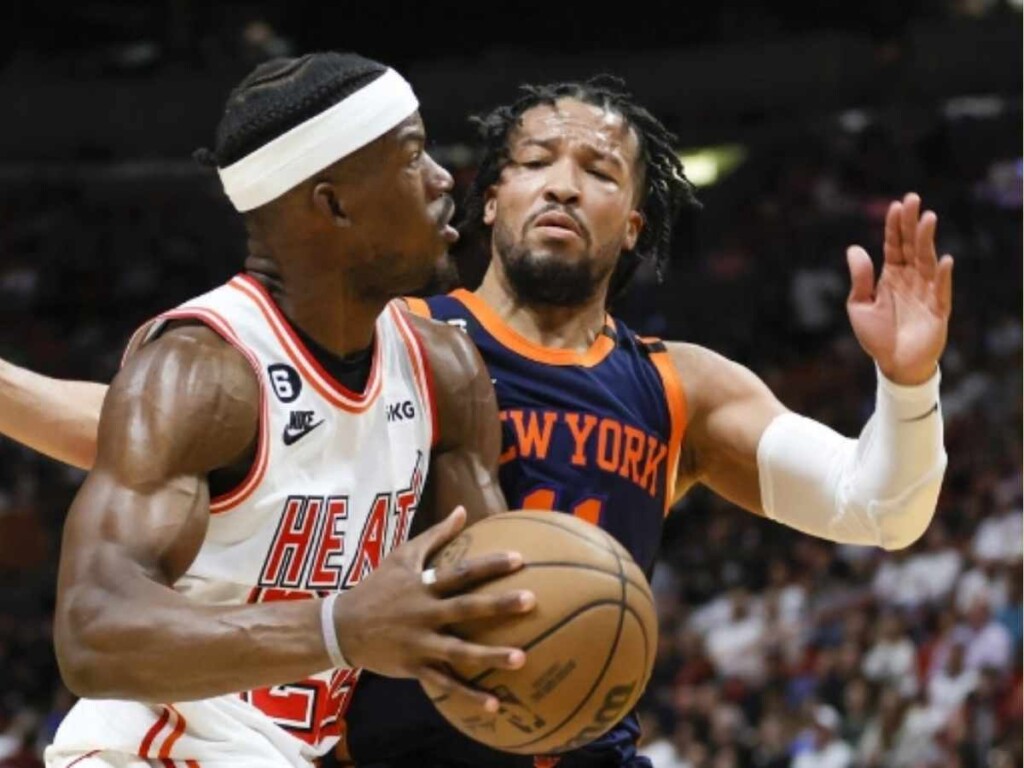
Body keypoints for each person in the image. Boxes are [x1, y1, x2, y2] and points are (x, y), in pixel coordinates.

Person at [0, 76, 953, 767]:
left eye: (600, 172)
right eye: (535, 161)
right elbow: (176, 432)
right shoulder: (394, 333)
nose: (564, 184)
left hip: (574, 738)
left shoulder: (679, 387)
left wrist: (908, 385)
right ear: (490, 194)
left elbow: (880, 509)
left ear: (634, 223)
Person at [25, 51, 540, 768]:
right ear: (332, 204)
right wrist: (338, 629)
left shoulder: (444, 369)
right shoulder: (201, 371)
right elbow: (93, 632)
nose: (442, 178)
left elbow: (494, 604)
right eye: (413, 154)